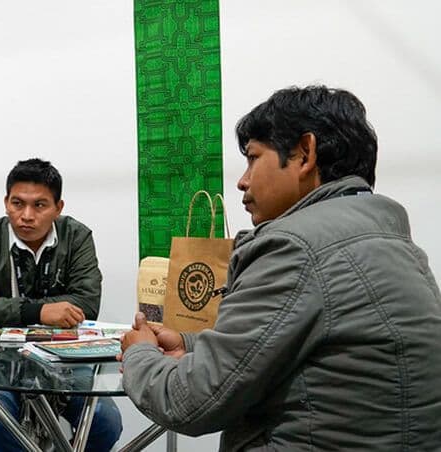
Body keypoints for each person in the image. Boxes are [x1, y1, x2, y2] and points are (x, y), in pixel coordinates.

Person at [120, 85, 441, 450]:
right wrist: (191, 344)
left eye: (253, 158)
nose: (242, 180)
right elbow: (305, 345)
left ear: (305, 153)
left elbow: (192, 401)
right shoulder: (385, 238)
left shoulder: (296, 247)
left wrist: (138, 353)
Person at [0, 158, 122, 451]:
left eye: (39, 205)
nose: (26, 215)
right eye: (18, 203)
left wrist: (1, 306)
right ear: (6, 202)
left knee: (106, 421)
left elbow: (86, 304)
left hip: (64, 356)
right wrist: (41, 312)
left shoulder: (77, 237)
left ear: (58, 207)